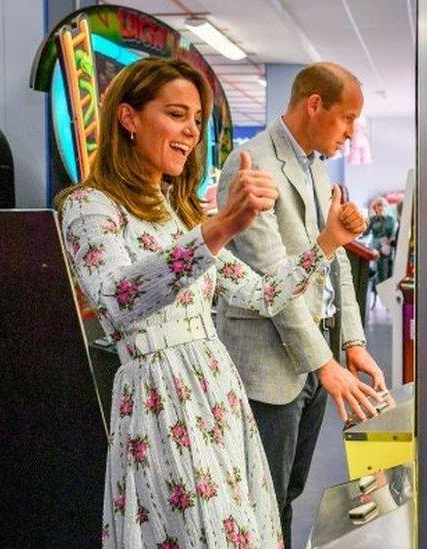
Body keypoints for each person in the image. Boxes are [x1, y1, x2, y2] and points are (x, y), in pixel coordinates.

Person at [56, 57, 367, 548]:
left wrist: (327, 243)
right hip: (160, 401)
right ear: (129, 117)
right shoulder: (88, 206)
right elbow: (117, 300)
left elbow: (262, 294)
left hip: (216, 394)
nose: (191, 132)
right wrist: (221, 227)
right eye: (177, 114)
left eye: (197, 120)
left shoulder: (176, 213)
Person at [216, 62, 387, 549]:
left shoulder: (316, 166)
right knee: (262, 498)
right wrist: (325, 363)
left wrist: (351, 341)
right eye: (347, 118)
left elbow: (334, 263)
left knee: (288, 492)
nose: (351, 132)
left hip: (313, 359)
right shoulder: (251, 164)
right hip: (270, 363)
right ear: (315, 104)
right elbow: (274, 282)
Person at [365, 196, 398, 286]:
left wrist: (387, 245)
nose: (379, 208)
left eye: (382, 206)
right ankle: (377, 292)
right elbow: (365, 233)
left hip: (386, 248)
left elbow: (393, 235)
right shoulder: (372, 219)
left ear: (386, 207)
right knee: (376, 273)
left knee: (386, 272)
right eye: (377, 206)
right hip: (375, 248)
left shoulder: (391, 219)